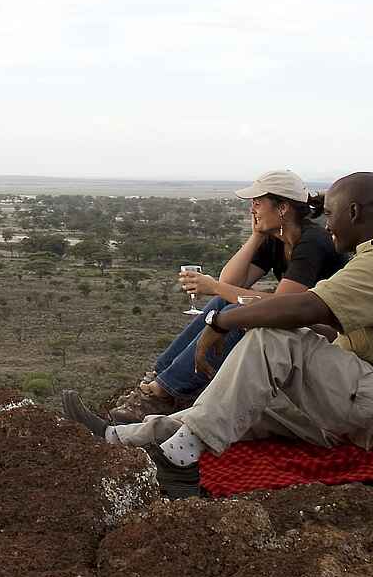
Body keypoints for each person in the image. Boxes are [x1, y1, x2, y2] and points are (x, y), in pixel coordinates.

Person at [62, 172, 373, 499]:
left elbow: (301, 308)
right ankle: (122, 437)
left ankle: (179, 462)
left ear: (354, 212)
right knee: (240, 401)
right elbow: (311, 317)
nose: (327, 222)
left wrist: (220, 324)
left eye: (333, 213)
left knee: (271, 336)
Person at [110, 169, 347, 419]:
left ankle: (164, 394)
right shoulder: (276, 239)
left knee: (238, 311)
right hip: (300, 320)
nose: (252, 210)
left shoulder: (312, 242)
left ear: (283, 208)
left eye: (257, 203)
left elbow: (284, 306)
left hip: (332, 331)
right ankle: (160, 378)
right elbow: (230, 282)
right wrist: (256, 237)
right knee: (222, 301)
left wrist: (214, 286)